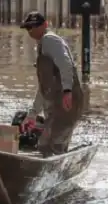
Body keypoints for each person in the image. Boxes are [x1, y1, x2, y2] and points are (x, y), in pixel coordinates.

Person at [19, 11, 87, 156]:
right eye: (28, 27)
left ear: (45, 25)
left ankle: (54, 173)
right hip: (55, 107)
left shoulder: (50, 40)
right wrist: (32, 114)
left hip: (67, 102)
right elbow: (44, 88)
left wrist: (67, 91)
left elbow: (66, 64)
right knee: (46, 144)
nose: (31, 30)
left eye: (34, 26)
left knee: (52, 145)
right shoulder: (42, 46)